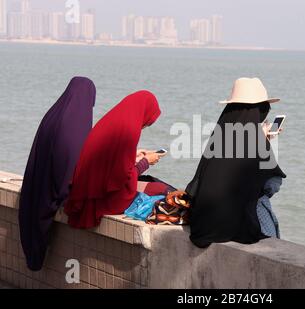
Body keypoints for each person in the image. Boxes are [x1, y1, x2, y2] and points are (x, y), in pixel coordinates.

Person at [186, 77, 286, 248]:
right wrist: (263, 142)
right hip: (234, 227)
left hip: (202, 224)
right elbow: (272, 184)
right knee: (262, 206)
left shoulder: (220, 135)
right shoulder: (256, 141)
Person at [19, 77, 96, 271]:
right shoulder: (76, 123)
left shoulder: (53, 114)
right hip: (52, 194)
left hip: (37, 190)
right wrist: (67, 197)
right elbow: (69, 165)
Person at [64, 90, 167, 229]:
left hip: (85, 193)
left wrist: (134, 155)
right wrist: (145, 162)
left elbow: (107, 160)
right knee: (161, 189)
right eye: (146, 123)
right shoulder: (129, 130)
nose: (143, 126)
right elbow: (123, 178)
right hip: (102, 200)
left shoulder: (113, 120)